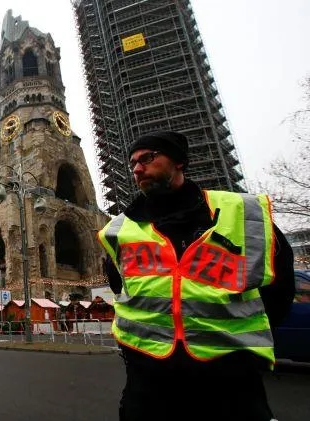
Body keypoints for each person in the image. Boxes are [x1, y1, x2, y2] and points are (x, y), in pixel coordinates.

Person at [97, 131, 295, 421]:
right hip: (149, 383)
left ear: (179, 162)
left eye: (148, 158)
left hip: (229, 382)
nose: (138, 169)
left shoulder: (241, 213)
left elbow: (279, 289)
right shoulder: (119, 229)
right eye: (133, 163)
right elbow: (121, 288)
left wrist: (236, 346)